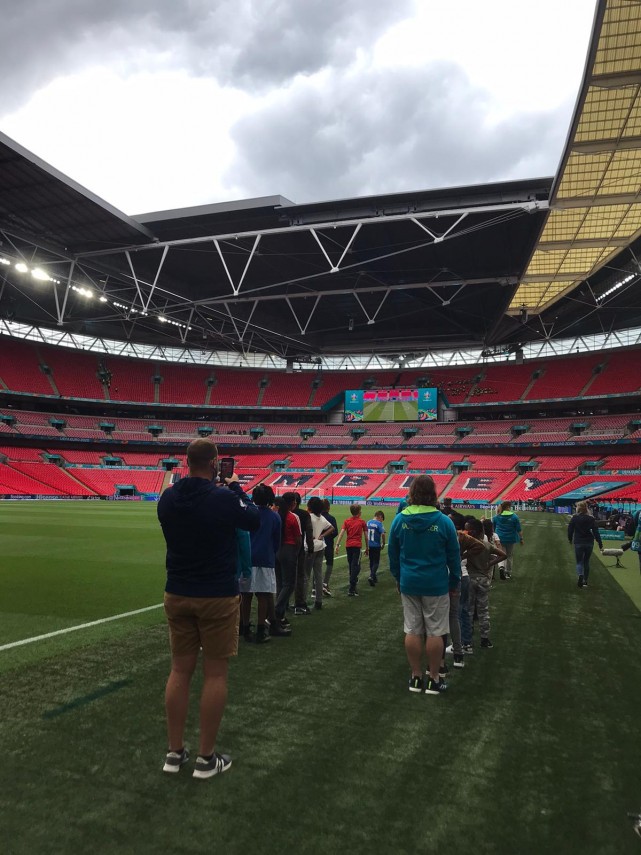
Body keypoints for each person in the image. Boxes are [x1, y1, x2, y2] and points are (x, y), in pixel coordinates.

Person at [157, 438, 260, 779]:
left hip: (177, 590)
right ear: (215, 463)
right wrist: (237, 487)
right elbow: (253, 520)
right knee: (215, 674)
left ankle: (174, 753)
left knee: (179, 671)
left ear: (187, 462)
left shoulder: (168, 498)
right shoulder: (223, 497)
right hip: (216, 594)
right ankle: (205, 758)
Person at [388, 475, 461, 695]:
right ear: (433, 494)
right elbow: (454, 556)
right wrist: (454, 581)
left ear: (412, 493)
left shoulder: (399, 520)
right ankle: (434, 679)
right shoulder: (444, 521)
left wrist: (398, 577)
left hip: (409, 582)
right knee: (435, 631)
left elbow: (393, 554)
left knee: (412, 629)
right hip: (436, 584)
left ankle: (416, 676)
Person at [240, 484, 282, 642]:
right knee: (263, 595)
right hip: (265, 559)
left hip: (247, 558)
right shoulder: (274, 517)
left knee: (246, 595)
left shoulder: (247, 513)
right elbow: (277, 541)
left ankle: (245, 629)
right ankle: (260, 630)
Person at [463, 517, 506, 649]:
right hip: (483, 579)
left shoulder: (468, 545)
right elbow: (503, 555)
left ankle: (468, 638)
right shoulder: (487, 545)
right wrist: (489, 564)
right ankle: (485, 638)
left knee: (469, 610)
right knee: (483, 609)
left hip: (470, 578)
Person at [274, 492, 301, 625]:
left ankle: (280, 614)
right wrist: (296, 552)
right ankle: (276, 612)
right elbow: (298, 538)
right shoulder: (292, 517)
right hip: (288, 549)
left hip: (277, 549)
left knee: (280, 583)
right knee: (289, 584)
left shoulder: (276, 515)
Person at [305, 497, 335, 609]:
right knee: (318, 575)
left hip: (309, 547)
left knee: (306, 576)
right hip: (320, 546)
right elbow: (332, 528)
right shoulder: (321, 518)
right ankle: (319, 601)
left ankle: (302, 601)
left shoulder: (309, 517)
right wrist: (322, 535)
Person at [335, 504, 369, 596]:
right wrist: (367, 547)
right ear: (359, 512)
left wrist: (337, 544)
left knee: (351, 566)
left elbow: (341, 533)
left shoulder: (347, 521)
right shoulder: (362, 522)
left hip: (348, 546)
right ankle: (352, 587)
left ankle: (353, 584)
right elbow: (366, 536)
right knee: (356, 566)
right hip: (357, 546)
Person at [568, 500, 603, 588]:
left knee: (579, 562)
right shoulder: (591, 519)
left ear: (578, 508)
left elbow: (570, 530)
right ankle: (585, 581)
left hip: (579, 541)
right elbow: (596, 532)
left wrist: (570, 539)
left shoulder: (574, 518)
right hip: (589, 542)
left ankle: (580, 574)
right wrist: (600, 543)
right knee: (586, 562)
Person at [292, 492, 314, 614]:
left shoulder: (282, 513)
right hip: (298, 549)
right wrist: (310, 549)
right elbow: (309, 533)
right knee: (299, 576)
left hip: (282, 549)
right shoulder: (304, 514)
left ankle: (281, 605)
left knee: (283, 578)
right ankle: (299, 604)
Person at [492, 501, 523, 579]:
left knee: (500, 554)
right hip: (510, 538)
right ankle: (508, 572)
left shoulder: (496, 517)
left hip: (499, 538)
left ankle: (501, 567)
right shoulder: (514, 517)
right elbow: (519, 529)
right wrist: (521, 538)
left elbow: (493, 529)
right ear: (508, 507)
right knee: (509, 556)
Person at [321, 498, 338, 597]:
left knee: (317, 565)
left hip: (318, 544)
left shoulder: (317, 517)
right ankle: (325, 583)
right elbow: (335, 532)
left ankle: (315, 588)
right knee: (329, 563)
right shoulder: (331, 518)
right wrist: (329, 536)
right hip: (328, 544)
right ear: (329, 507)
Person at [367, 510, 386, 586]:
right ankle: (371, 576)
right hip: (376, 545)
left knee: (371, 561)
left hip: (369, 545)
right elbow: (383, 534)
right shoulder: (379, 524)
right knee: (376, 562)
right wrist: (383, 543)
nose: (382, 521)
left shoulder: (368, 522)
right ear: (380, 517)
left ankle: (374, 577)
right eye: (382, 519)